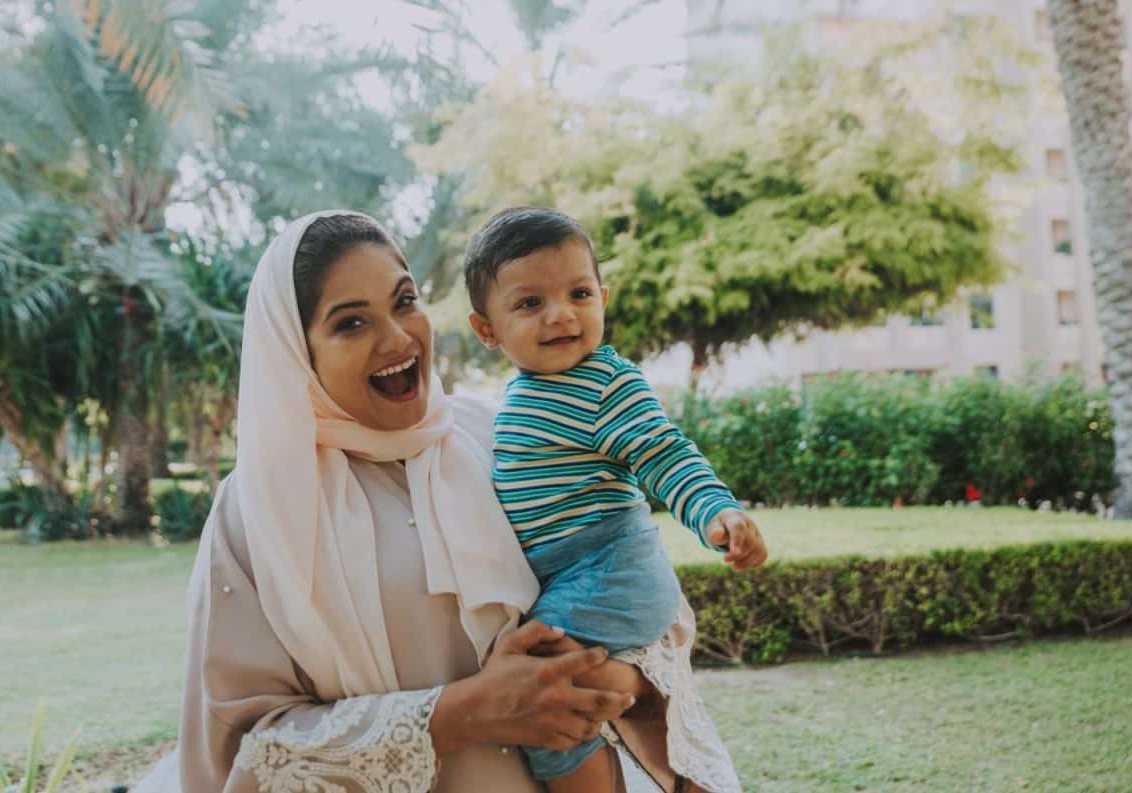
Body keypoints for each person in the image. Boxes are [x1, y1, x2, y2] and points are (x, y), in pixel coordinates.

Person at [146, 210, 743, 793]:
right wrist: (460, 712)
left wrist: (609, 683)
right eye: (351, 323)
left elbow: (646, 597)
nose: (398, 337)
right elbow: (244, 751)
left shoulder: (497, 435)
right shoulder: (258, 510)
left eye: (404, 301)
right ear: (297, 351)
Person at [463, 207, 767, 792]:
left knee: (540, 691)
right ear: (487, 330)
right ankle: (680, 777)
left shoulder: (607, 382)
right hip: (576, 577)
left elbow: (666, 453)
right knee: (556, 695)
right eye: (530, 303)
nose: (561, 315)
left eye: (578, 293)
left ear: (602, 297)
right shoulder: (525, 390)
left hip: (609, 567)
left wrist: (716, 512)